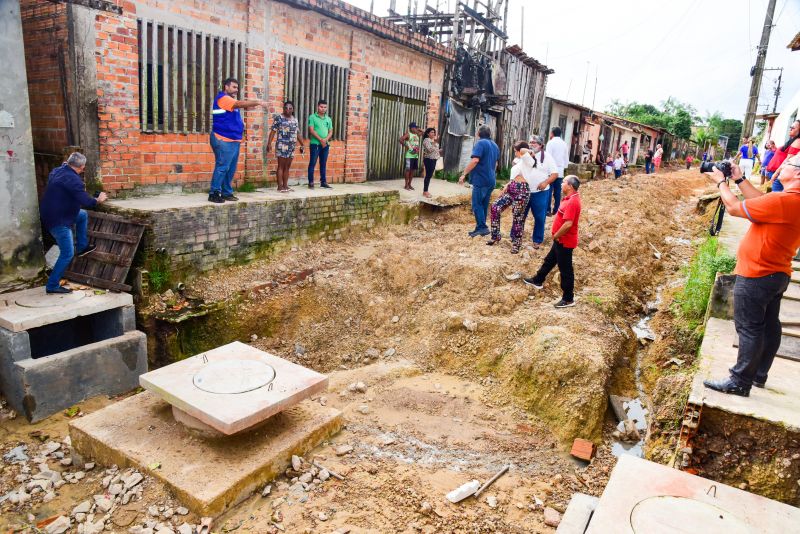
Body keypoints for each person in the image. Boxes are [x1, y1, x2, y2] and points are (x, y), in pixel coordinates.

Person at [702, 155, 800, 396]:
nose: (781, 167)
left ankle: (739, 381)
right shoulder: (788, 201)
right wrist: (739, 179)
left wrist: (720, 183)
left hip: (758, 273)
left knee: (749, 328)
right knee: (768, 325)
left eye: (789, 163)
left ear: (797, 174)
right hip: (776, 273)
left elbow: (735, 208)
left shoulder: (784, 200)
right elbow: (761, 201)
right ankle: (758, 375)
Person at [39, 152, 108, 294]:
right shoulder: (74, 180)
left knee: (82, 215)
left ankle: (82, 246)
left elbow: (69, 190)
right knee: (67, 253)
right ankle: (52, 286)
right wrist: (98, 199)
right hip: (58, 221)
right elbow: (86, 202)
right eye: (83, 168)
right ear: (81, 167)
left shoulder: (57, 171)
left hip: (49, 213)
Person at [523, 175, 582, 308]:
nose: (561, 184)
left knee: (565, 270)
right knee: (549, 260)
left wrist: (556, 236)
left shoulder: (573, 202)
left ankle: (568, 299)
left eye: (564, 182)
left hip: (565, 241)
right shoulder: (569, 198)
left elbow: (568, 224)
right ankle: (538, 280)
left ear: (570, 186)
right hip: (560, 240)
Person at [209, 77, 268, 203]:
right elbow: (240, 104)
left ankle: (226, 192)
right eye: (234, 87)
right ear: (226, 87)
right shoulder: (223, 99)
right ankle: (214, 193)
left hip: (233, 140)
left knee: (230, 168)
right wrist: (257, 102)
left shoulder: (231, 101)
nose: (236, 90)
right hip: (223, 139)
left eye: (237, 87)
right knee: (222, 166)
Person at [486, 141, 534, 254]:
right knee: (495, 207)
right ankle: (495, 236)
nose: (515, 153)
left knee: (517, 217)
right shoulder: (518, 161)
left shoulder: (529, 160)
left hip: (522, 190)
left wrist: (529, 151)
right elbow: (514, 177)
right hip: (512, 188)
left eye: (515, 151)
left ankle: (517, 244)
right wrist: (507, 186)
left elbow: (523, 151)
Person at [459, 125, 500, 237]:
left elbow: (475, 160)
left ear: (478, 134)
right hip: (491, 179)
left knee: (477, 204)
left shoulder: (480, 143)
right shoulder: (495, 145)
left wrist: (464, 174)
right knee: (483, 204)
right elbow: (496, 164)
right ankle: (479, 227)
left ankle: (482, 227)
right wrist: (491, 173)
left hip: (481, 180)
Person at [526, 135, 559, 249]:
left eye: (534, 142)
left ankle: (537, 240)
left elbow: (555, 174)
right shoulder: (526, 155)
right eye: (530, 142)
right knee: (520, 215)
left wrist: (545, 183)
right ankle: (515, 236)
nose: (531, 144)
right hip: (525, 191)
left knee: (540, 217)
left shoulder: (547, 157)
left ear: (541, 145)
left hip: (540, 192)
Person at [267, 101, 305, 193]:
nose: (288, 110)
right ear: (283, 109)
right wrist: (269, 143)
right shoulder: (279, 118)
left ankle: (285, 186)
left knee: (287, 167)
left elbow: (298, 133)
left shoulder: (295, 119)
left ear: (293, 109)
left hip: (291, 146)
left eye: (290, 108)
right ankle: (280, 187)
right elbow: (273, 131)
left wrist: (302, 144)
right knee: (281, 166)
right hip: (281, 145)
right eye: (286, 108)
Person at [767, 120, 800, 192]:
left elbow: (788, 160)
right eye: (790, 127)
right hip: (779, 172)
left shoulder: (797, 142)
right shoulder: (793, 141)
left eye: (793, 128)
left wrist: (776, 173)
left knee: (775, 198)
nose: (790, 129)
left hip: (782, 174)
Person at [307, 99, 333, 189]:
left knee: (323, 163)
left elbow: (330, 132)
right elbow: (311, 130)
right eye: (321, 107)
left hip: (325, 145)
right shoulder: (312, 117)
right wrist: (320, 140)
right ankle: (311, 182)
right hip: (315, 144)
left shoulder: (328, 119)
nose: (323, 109)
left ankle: (323, 182)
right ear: (318, 107)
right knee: (312, 163)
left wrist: (325, 140)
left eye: (325, 107)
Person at [546, 126, 569, 216]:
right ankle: (557, 210)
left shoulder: (550, 143)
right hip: (559, 170)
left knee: (549, 190)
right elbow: (566, 158)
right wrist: (564, 167)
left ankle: (548, 210)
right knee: (558, 192)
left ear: (552, 133)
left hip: (551, 170)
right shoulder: (564, 144)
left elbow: (548, 157)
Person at [399, 123, 421, 191]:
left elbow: (423, 132)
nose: (416, 129)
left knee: (413, 170)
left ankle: (410, 184)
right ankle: (406, 185)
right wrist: (406, 146)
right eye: (414, 128)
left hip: (415, 155)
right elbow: (400, 139)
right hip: (409, 155)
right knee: (408, 170)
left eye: (416, 128)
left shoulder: (417, 135)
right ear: (411, 128)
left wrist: (419, 129)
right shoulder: (408, 134)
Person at [421, 127, 442, 198]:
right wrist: (435, 142)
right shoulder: (426, 140)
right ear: (428, 133)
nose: (433, 133)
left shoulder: (432, 140)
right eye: (432, 132)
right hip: (429, 159)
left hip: (434, 159)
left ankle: (426, 190)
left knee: (429, 176)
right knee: (428, 176)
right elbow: (429, 149)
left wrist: (439, 150)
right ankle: (425, 191)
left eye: (434, 132)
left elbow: (435, 150)